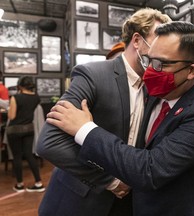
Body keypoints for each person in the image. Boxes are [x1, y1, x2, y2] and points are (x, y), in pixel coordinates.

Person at [45, 21, 194, 216]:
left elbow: (149, 170)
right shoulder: (157, 96)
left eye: (160, 64)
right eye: (149, 60)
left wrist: (85, 129)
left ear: (192, 71)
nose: (150, 70)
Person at [37, 8, 171, 216]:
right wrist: (111, 180)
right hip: (79, 201)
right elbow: (49, 142)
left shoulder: (154, 88)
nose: (164, 51)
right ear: (137, 40)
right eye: (158, 40)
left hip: (126, 204)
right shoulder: (93, 74)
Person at [6, 76, 45, 192]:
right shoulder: (36, 98)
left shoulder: (16, 97)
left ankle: (19, 184)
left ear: (20, 85)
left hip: (15, 130)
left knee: (17, 157)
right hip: (29, 129)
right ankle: (38, 183)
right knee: (29, 155)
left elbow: (11, 116)